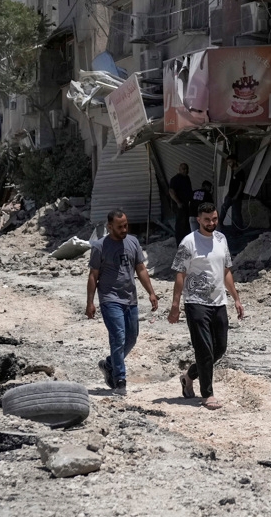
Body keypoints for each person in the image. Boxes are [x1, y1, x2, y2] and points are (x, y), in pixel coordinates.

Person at [168, 202, 244, 410]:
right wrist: (176, 304)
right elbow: (180, 274)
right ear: (199, 220)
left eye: (214, 219)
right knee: (204, 349)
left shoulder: (221, 239)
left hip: (219, 301)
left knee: (219, 348)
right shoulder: (189, 242)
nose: (211, 223)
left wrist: (236, 298)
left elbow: (226, 271)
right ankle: (207, 394)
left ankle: (189, 376)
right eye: (207, 220)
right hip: (195, 302)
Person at [86, 210, 159, 396]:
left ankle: (109, 364)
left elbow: (140, 269)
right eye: (120, 227)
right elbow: (93, 275)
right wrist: (90, 302)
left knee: (131, 338)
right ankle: (119, 380)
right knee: (118, 337)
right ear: (109, 227)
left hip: (130, 299)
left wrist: (151, 292)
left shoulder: (133, 242)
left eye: (126, 225)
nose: (124, 229)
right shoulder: (99, 247)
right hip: (110, 299)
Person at [168, 163, 193, 242]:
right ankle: (180, 242)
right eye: (183, 169)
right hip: (179, 205)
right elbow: (171, 192)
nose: (185, 171)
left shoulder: (187, 178)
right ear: (179, 169)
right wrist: (178, 202)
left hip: (186, 204)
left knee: (186, 223)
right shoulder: (175, 179)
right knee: (180, 224)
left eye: (186, 169)